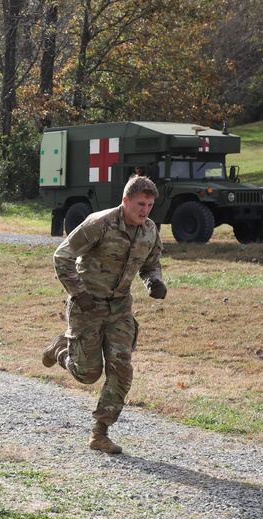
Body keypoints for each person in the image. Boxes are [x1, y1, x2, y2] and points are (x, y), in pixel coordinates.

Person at [42, 175, 166, 455]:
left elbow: (151, 263)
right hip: (87, 307)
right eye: (139, 204)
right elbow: (62, 256)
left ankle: (100, 434)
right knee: (87, 374)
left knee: (121, 369)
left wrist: (154, 282)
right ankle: (61, 350)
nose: (144, 210)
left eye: (149, 205)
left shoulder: (149, 230)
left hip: (120, 308)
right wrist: (79, 293)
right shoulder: (100, 223)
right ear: (125, 201)